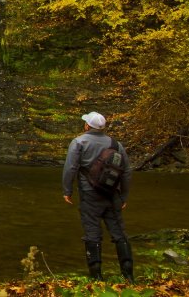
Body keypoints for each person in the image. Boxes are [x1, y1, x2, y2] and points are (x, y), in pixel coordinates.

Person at [62, 111, 134, 282]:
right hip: (112, 195)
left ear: (87, 126)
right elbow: (127, 172)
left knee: (92, 234)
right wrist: (123, 196)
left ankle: (96, 277)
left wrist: (67, 191)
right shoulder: (116, 145)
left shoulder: (79, 142)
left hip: (89, 195)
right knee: (120, 234)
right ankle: (129, 276)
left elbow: (70, 168)